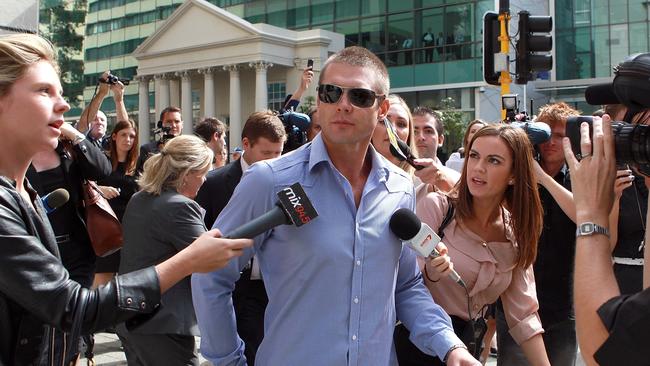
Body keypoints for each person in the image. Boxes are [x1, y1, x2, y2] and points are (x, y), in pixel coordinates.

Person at [192, 46, 479, 366]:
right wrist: (229, 361)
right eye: (331, 93)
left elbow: (406, 286)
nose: (343, 104)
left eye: (359, 96)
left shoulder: (399, 188)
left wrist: (450, 346)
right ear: (319, 100)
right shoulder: (269, 181)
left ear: (381, 108)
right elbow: (211, 275)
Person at [0, 33, 252, 365]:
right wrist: (188, 260)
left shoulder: (26, 193)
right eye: (44, 91)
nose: (62, 104)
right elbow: (73, 307)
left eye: (60, 92)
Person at [416, 124, 551, 365]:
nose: (478, 168)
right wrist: (432, 273)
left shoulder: (515, 235)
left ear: (513, 175)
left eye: (494, 161)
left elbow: (525, 316)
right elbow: (407, 285)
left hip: (471, 348)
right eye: (474, 156)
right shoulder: (436, 207)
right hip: (420, 344)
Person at [195, 110, 286, 365]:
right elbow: (200, 232)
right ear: (246, 144)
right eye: (267, 154)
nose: (274, 161)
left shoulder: (288, 181)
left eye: (279, 154)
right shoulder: (214, 182)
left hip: (271, 290)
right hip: (230, 288)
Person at [496, 103, 580, 366]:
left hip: (563, 304)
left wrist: (543, 178)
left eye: (560, 136)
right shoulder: (517, 172)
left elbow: (583, 214)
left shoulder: (580, 174)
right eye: (546, 134)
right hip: (516, 299)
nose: (551, 142)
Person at [118, 135, 214, 365]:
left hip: (131, 318)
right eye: (203, 173)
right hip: (162, 325)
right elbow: (210, 257)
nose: (205, 180)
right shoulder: (181, 207)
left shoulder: (139, 198)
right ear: (187, 173)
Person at [94, 119, 140, 286]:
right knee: (103, 276)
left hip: (131, 226)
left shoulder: (138, 164)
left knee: (130, 277)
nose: (128, 139)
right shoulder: (102, 161)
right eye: (123, 135)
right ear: (114, 136)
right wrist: (100, 189)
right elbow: (86, 184)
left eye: (132, 136)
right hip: (107, 226)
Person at [370, 94, 418, 173]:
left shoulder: (424, 182)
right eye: (384, 122)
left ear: (409, 134)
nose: (393, 130)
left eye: (401, 124)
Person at [137, 106, 183, 172]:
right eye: (169, 121)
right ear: (161, 124)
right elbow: (140, 177)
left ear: (182, 124)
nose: (173, 125)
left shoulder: (191, 148)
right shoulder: (147, 149)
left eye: (177, 121)